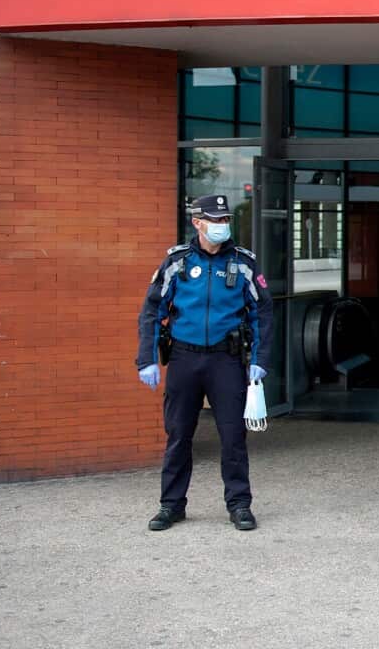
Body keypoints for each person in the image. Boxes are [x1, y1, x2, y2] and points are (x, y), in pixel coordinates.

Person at [135, 194, 273, 532]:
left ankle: (239, 504)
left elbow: (263, 312)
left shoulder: (243, 263)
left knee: (232, 437)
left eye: (225, 220)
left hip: (226, 361)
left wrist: (260, 359)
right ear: (197, 222)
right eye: (215, 220)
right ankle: (171, 506)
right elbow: (152, 311)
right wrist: (146, 359)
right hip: (184, 358)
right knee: (179, 434)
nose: (222, 225)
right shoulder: (177, 263)